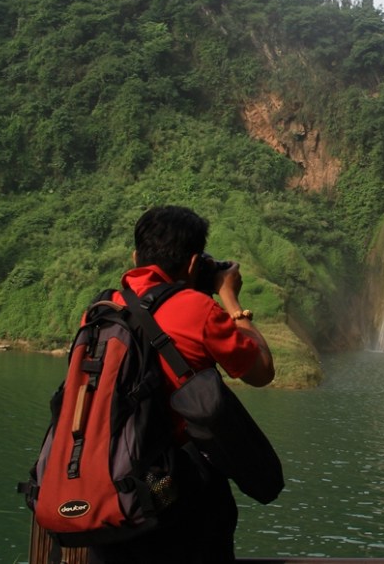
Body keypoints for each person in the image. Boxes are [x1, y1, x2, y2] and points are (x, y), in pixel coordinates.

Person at [87, 205, 274, 564]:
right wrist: (231, 299)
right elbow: (262, 371)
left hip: (108, 491)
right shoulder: (196, 309)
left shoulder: (100, 310)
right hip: (173, 495)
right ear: (193, 264)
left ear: (134, 257)